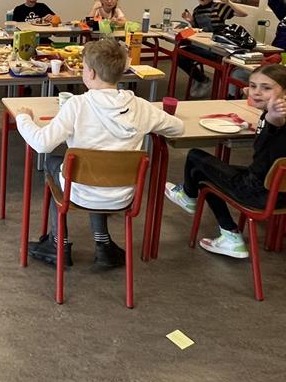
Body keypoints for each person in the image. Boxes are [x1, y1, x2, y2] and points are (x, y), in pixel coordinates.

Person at [17, 39, 183, 269]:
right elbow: (178, 128)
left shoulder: (77, 105)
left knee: (54, 163)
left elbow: (42, 144)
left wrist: (23, 118)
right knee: (98, 171)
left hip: (80, 193)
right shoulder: (141, 106)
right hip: (122, 196)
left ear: (91, 73)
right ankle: (103, 244)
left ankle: (58, 244)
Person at [165, 65, 286, 259]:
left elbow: (275, 121)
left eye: (266, 88)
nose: (257, 92)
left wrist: (271, 116)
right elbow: (275, 126)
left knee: (195, 157)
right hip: (282, 192)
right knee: (202, 173)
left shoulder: (275, 117)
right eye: (253, 86)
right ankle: (189, 197)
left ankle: (216, 222)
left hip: (257, 192)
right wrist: (259, 99)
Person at [179, 0, 251, 98]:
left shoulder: (218, 8)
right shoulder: (197, 10)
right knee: (179, 54)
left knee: (182, 54)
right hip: (202, 45)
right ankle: (202, 79)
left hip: (216, 49)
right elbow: (198, 29)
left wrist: (228, 2)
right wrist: (191, 21)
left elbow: (243, 14)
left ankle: (204, 82)